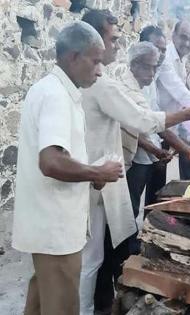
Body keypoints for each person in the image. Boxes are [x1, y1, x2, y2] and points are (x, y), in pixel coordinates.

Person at [80, 10, 190, 315]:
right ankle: (94, 302)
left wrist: (185, 147)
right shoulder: (108, 83)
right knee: (95, 253)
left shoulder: (135, 81)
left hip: (112, 170)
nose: (155, 71)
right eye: (112, 39)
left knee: (114, 237)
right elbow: (141, 121)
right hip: (107, 170)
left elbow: (150, 120)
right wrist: (187, 118)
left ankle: (111, 290)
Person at [12, 21, 124, 315]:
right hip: (56, 230)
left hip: (50, 227)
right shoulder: (56, 96)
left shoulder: (55, 90)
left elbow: (58, 156)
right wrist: (96, 173)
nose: (100, 70)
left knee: (41, 302)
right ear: (74, 57)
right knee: (61, 306)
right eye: (95, 61)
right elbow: (50, 161)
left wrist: (90, 173)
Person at [141, 22, 190, 180]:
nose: (187, 43)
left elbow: (181, 95)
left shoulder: (180, 60)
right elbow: (179, 91)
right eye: (183, 38)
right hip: (156, 127)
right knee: (147, 178)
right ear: (173, 36)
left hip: (164, 127)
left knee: (157, 181)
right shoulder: (166, 58)